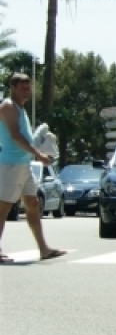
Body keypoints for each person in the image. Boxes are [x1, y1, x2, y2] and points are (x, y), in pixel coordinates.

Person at [0, 73, 65, 263]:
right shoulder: (8, 107)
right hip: (10, 165)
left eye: (28, 88)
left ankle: (44, 249)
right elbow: (15, 136)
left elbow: (26, 137)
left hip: (23, 164)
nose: (27, 91)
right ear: (13, 88)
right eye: (23, 88)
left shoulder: (21, 109)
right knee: (3, 207)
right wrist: (38, 154)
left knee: (33, 204)